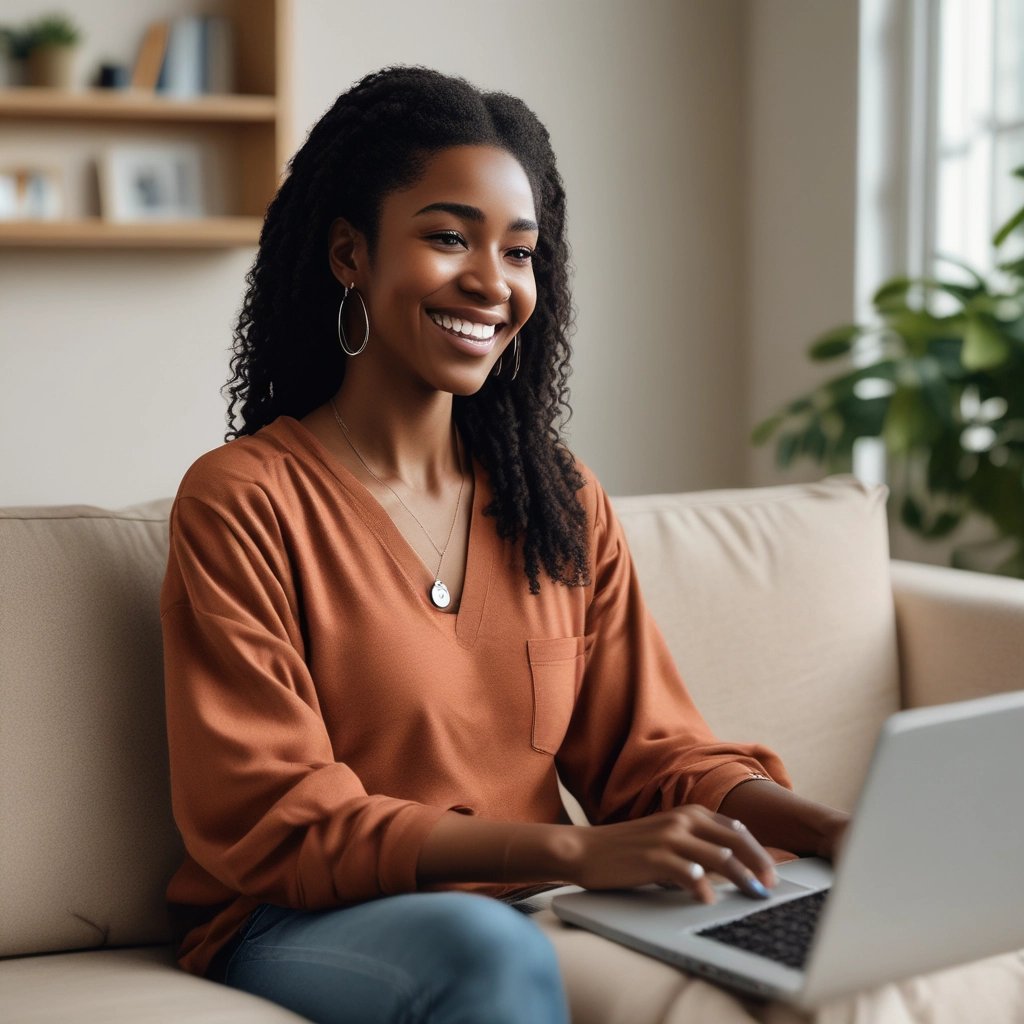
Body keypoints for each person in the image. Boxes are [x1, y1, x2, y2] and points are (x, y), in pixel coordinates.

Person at [161, 66, 849, 1024]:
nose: (492, 282)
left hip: (533, 903)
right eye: (448, 237)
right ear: (350, 252)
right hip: (301, 918)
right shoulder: (244, 501)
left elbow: (652, 758)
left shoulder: (557, 500)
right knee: (485, 949)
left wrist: (833, 831)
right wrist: (569, 851)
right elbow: (281, 819)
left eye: (520, 252)